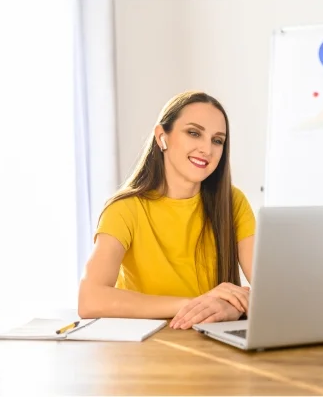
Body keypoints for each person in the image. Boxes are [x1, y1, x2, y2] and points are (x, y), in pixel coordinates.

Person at [78, 90, 256, 330]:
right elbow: (91, 299)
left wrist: (234, 307)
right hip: (146, 349)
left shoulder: (232, 202)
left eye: (217, 140)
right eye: (194, 133)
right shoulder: (125, 209)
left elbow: (272, 292)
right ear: (162, 137)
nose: (207, 149)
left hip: (211, 345)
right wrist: (197, 304)